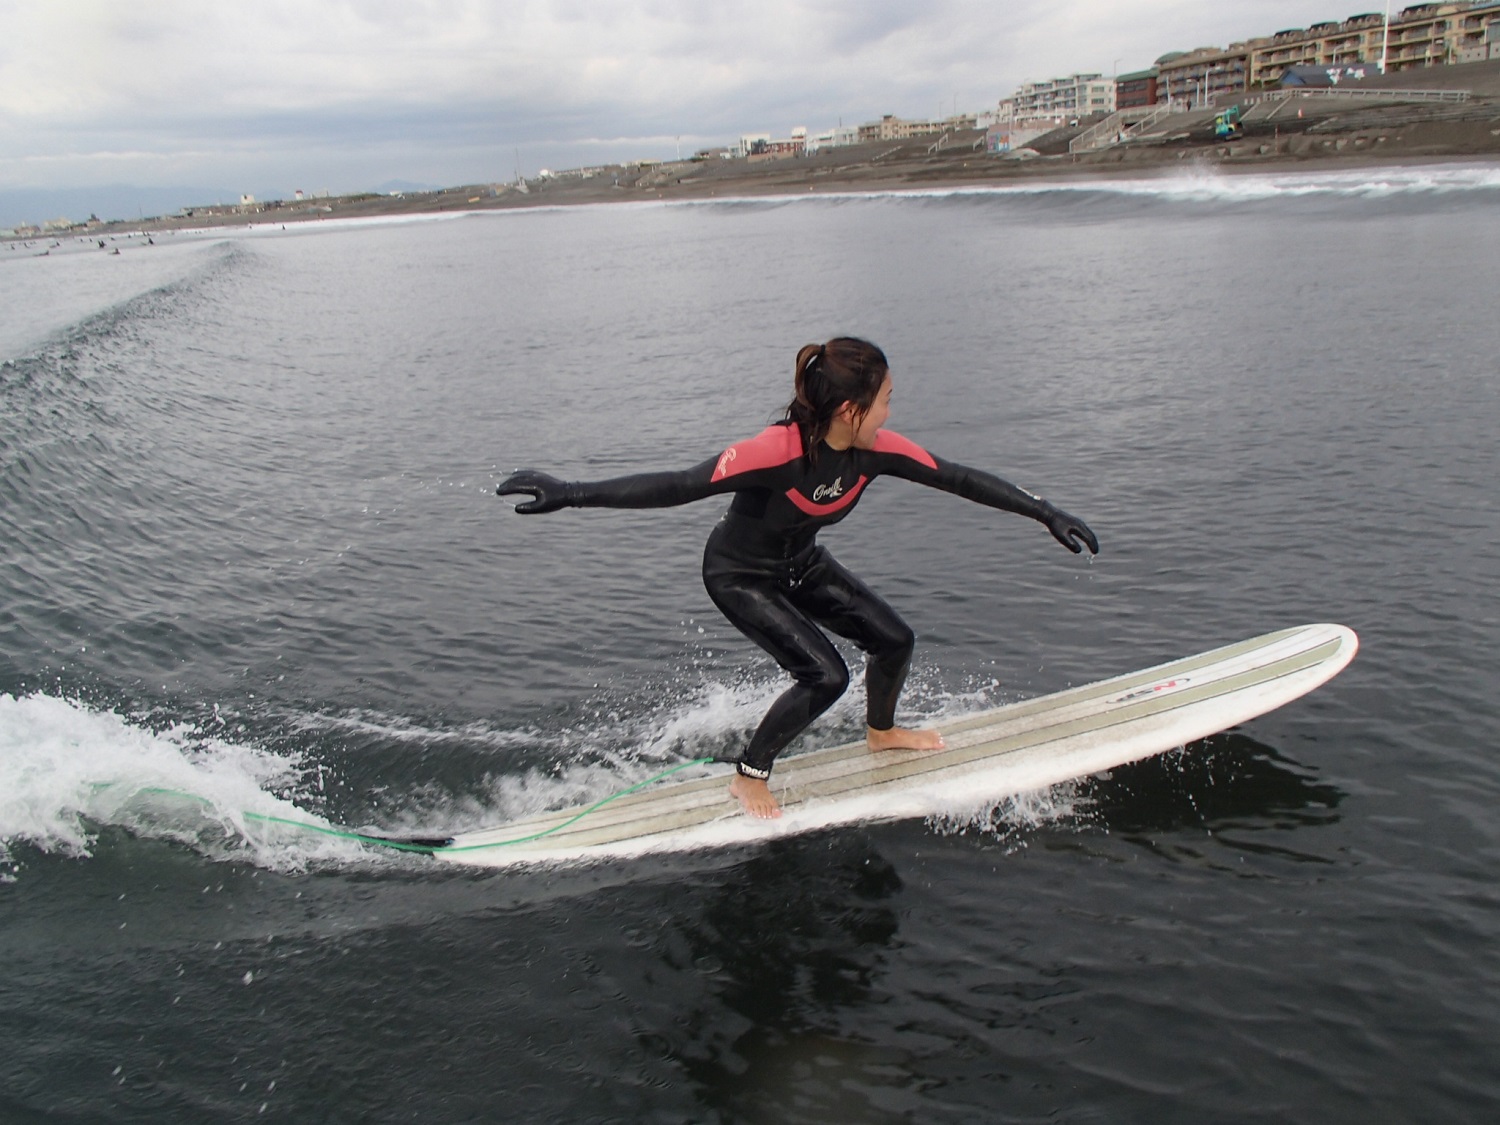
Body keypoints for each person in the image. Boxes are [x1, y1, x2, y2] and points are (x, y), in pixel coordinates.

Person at [497, 338, 1098, 820]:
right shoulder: (774, 452)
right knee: (825, 675)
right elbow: (679, 485)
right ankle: (749, 774)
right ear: (848, 409)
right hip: (739, 575)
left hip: (801, 564)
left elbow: (959, 477)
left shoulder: (875, 450)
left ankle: (881, 734)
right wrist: (570, 493)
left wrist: (1046, 512)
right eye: (886, 399)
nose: (891, 410)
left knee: (894, 640)